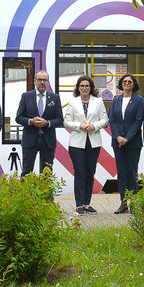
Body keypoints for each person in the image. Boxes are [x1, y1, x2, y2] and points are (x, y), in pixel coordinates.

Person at [64, 76, 109, 215]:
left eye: (87, 86)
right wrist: (80, 125)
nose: (84, 88)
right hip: (77, 143)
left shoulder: (98, 101)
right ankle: (78, 205)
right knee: (80, 173)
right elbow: (67, 121)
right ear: (78, 88)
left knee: (90, 173)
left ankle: (87, 204)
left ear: (91, 88)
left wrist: (94, 126)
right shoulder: (72, 102)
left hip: (93, 142)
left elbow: (105, 120)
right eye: (82, 86)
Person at [15, 70, 64, 177]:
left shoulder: (55, 98)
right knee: (27, 171)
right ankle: (26, 194)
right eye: (39, 80)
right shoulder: (26, 96)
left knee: (47, 172)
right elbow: (18, 118)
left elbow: (60, 119)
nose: (42, 82)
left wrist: (47, 123)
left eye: (44, 80)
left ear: (48, 82)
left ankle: (46, 194)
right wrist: (30, 121)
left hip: (48, 140)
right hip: (30, 140)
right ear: (34, 81)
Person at [108, 73, 144, 214]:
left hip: (133, 143)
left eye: (129, 81)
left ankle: (134, 203)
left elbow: (138, 120)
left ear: (133, 84)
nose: (127, 83)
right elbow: (112, 120)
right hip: (118, 143)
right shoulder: (116, 99)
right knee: (121, 173)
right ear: (121, 84)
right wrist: (117, 137)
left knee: (132, 173)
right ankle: (123, 204)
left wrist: (127, 138)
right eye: (124, 81)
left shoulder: (139, 100)